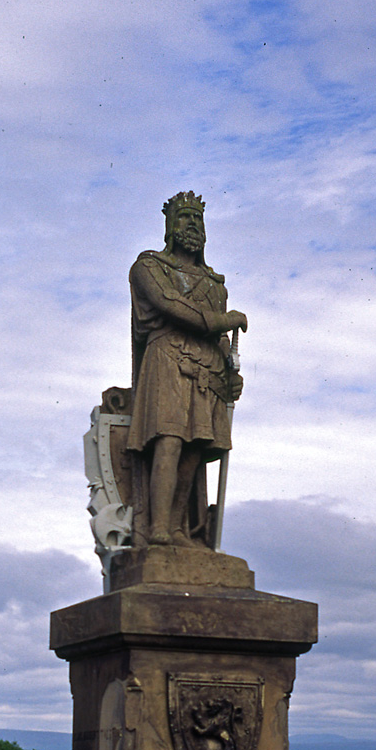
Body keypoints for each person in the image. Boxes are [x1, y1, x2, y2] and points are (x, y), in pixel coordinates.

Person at [127, 192, 247, 546]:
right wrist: (223, 320)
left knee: (197, 447)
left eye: (198, 219)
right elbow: (171, 305)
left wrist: (229, 373)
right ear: (170, 226)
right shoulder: (148, 267)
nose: (192, 225)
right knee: (170, 438)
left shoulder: (214, 284)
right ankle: (158, 527)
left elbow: (220, 340)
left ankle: (178, 528)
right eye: (184, 218)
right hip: (168, 358)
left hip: (205, 367)